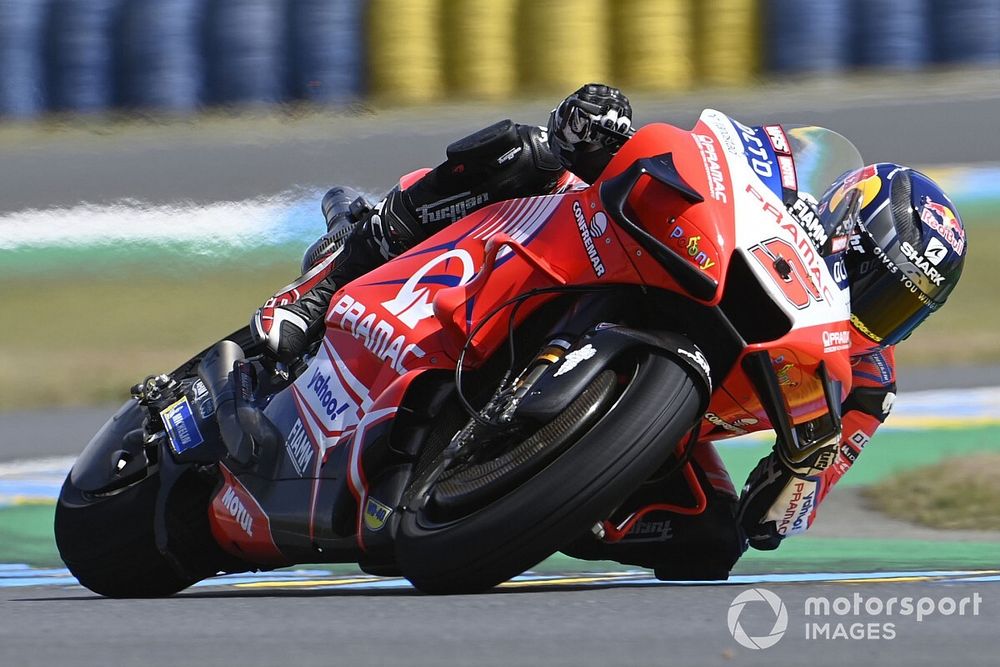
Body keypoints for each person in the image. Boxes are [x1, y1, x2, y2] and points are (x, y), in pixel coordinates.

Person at [250, 84, 968, 580]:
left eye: (899, 306)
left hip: (653, 423)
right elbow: (711, 159)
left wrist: (798, 478)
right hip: (595, 258)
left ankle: (540, 501)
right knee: (528, 151)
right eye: (874, 277)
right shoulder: (781, 189)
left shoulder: (864, 385)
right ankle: (332, 276)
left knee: (712, 541)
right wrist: (603, 131)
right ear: (841, 221)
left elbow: (777, 516)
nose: (874, 311)